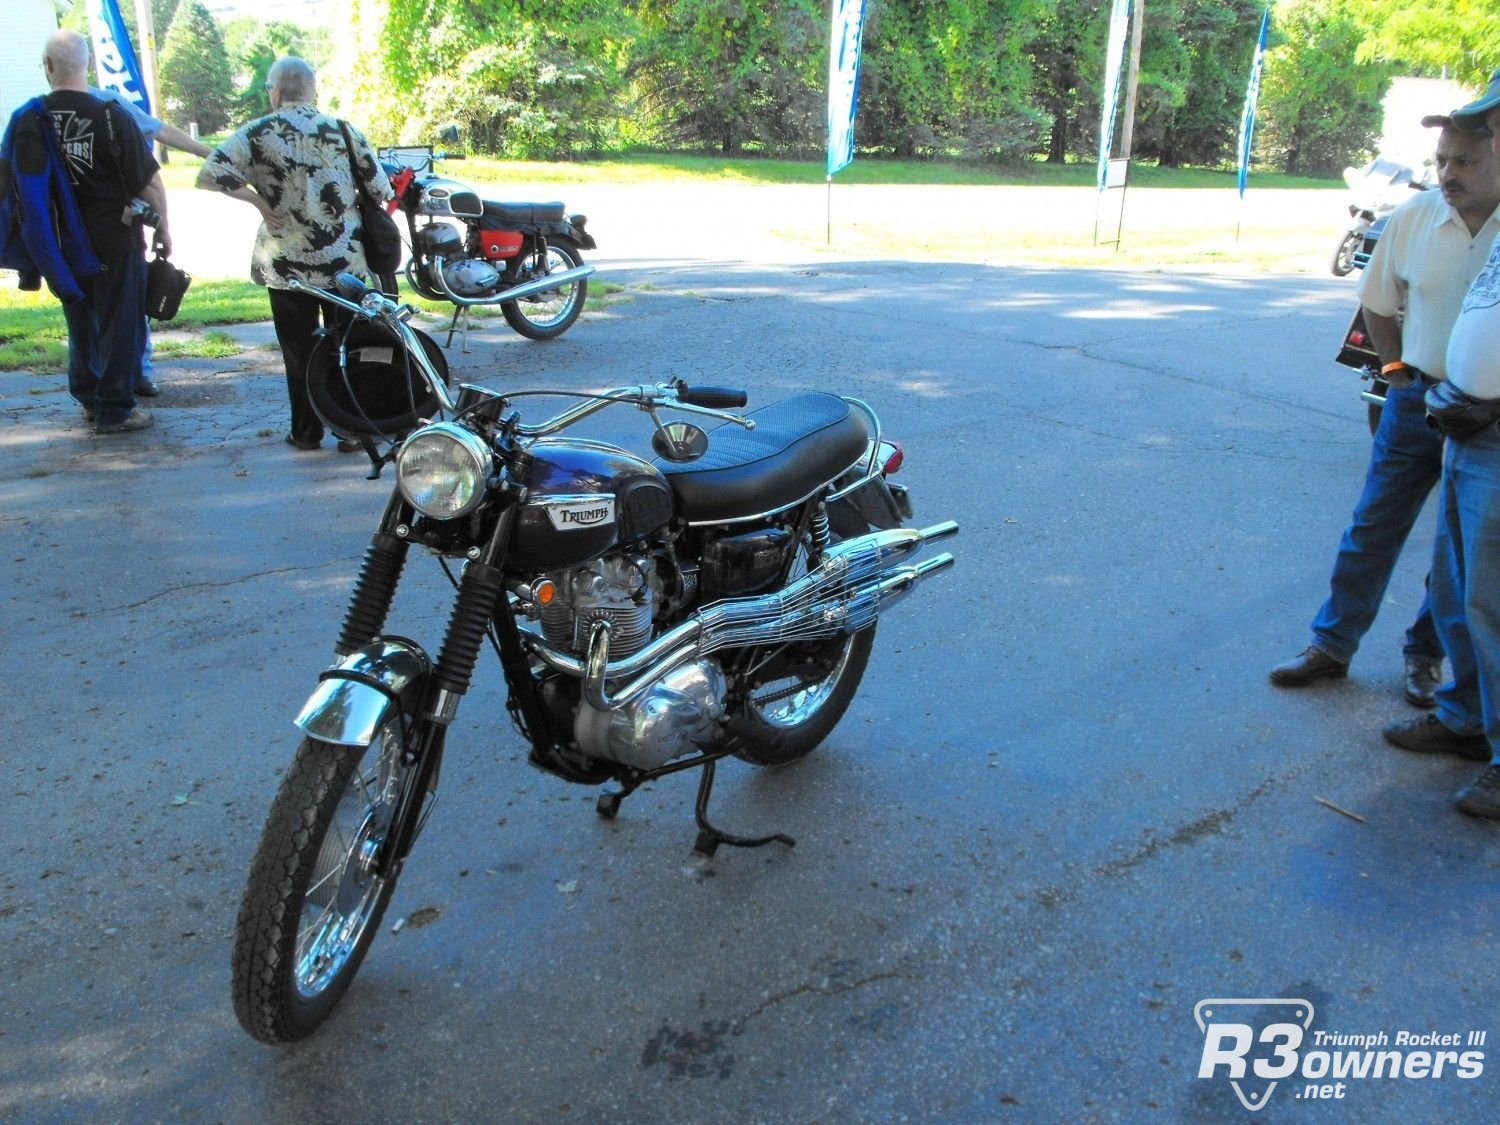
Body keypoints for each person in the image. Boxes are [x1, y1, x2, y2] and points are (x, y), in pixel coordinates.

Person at [1269, 117, 1500, 706]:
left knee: (1457, 550)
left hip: (1488, 417)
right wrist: (1396, 374)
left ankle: (1425, 656)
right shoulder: (1415, 216)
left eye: (1465, 163)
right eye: (1443, 160)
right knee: (1374, 526)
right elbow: (1376, 302)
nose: (1448, 173)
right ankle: (1331, 644)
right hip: (1416, 399)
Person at [1392, 69, 1500, 817]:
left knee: (1495, 602)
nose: (1466, 154)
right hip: (1463, 424)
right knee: (1460, 591)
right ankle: (1465, 718)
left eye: (1484, 135)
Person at [195, 56, 392, 452]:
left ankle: (306, 432)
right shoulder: (342, 130)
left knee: (297, 351)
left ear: (275, 91)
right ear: (312, 90)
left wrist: (254, 199)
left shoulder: (256, 132)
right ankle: (351, 430)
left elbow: (211, 172)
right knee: (348, 345)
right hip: (344, 264)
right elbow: (381, 189)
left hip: (286, 265)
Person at [0, 30, 169, 434]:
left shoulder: (25, 118)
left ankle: (91, 400)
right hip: (116, 237)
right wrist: (164, 228)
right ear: (88, 65)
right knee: (120, 325)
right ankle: (115, 409)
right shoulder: (112, 113)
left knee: (80, 320)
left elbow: (7, 182)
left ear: (47, 67)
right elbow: (148, 182)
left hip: (58, 243)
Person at [90, 85, 211, 398]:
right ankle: (131, 375)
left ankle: (108, 381)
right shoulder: (108, 104)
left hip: (76, 229)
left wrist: (207, 153)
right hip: (119, 227)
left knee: (88, 307)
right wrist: (163, 227)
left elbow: (158, 131)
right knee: (129, 298)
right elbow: (152, 176)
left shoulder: (46, 110)